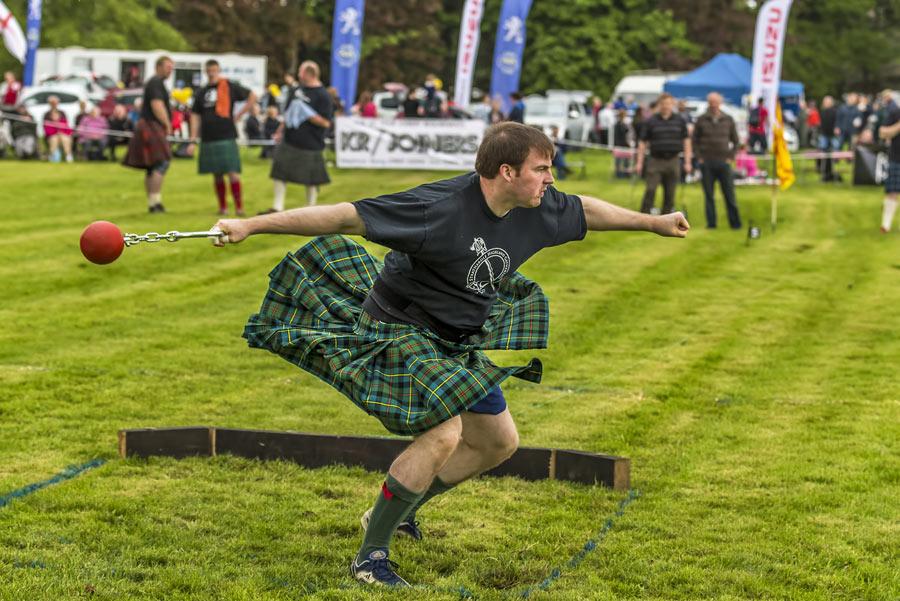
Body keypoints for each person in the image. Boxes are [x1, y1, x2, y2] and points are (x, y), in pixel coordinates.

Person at [210, 121, 690, 588]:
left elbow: (587, 210)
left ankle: (395, 513)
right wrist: (250, 225)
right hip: (398, 329)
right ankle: (370, 557)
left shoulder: (538, 207)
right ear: (506, 172)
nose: (550, 178)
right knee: (443, 435)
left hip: (457, 339)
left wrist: (654, 222)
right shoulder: (436, 208)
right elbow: (343, 215)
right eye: (542, 168)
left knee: (497, 443)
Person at [187, 59, 256, 217]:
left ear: (218, 70)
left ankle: (239, 208)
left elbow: (252, 96)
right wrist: (192, 139)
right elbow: (195, 116)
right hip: (208, 136)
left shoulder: (229, 86)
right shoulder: (201, 92)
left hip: (226, 134)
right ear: (206, 71)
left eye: (214, 70)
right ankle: (223, 208)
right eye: (209, 70)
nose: (211, 73)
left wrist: (239, 115)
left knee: (232, 172)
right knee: (216, 173)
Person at [263, 60, 333, 213]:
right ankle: (277, 207)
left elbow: (327, 123)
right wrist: (280, 131)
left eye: (301, 73)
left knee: (312, 179)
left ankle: (311, 208)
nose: (299, 76)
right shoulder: (296, 90)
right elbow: (288, 114)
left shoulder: (323, 95)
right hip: (290, 140)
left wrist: (307, 114)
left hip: (311, 143)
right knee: (279, 172)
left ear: (309, 74)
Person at [123, 56, 174, 213]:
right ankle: (155, 202)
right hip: (152, 126)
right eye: (167, 67)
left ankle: (153, 203)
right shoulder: (156, 83)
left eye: (171, 68)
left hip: (148, 125)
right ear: (158, 67)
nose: (170, 70)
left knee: (152, 166)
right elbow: (157, 105)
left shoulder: (155, 82)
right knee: (161, 162)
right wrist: (167, 124)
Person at [635, 93, 692, 215]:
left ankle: (666, 218)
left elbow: (687, 142)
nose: (666, 106)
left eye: (668, 104)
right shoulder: (651, 121)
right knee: (650, 190)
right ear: (659, 105)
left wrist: (688, 162)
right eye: (663, 104)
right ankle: (643, 216)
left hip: (673, 160)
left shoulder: (680, 120)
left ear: (673, 105)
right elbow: (642, 143)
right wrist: (639, 163)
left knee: (670, 192)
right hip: (655, 160)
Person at [692, 92, 741, 229]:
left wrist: (730, 156)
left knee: (729, 194)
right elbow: (694, 141)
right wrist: (699, 157)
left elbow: (736, 141)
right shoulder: (701, 120)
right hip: (706, 162)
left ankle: (735, 223)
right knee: (709, 196)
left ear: (720, 103)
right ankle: (711, 224)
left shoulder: (728, 119)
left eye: (716, 102)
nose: (713, 105)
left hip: (723, 162)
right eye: (711, 102)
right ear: (708, 103)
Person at [877, 90, 900, 233]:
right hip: (897, 157)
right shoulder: (895, 112)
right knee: (892, 191)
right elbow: (882, 132)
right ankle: (886, 225)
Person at [42, 96, 74, 163]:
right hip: (52, 136)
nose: (54, 104)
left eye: (55, 102)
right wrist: (56, 132)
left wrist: (61, 133)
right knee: (54, 139)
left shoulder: (62, 114)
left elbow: (67, 129)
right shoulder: (46, 115)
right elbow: (47, 130)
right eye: (52, 103)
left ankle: (68, 156)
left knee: (65, 139)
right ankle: (52, 157)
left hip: (63, 135)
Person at [818, 96, 840, 182]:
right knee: (824, 153)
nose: (826, 103)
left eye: (828, 101)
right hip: (824, 135)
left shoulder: (835, 111)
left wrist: (837, 128)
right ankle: (824, 171)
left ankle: (832, 172)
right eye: (825, 101)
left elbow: (837, 122)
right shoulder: (822, 111)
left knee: (834, 153)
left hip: (832, 135)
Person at [613, 109, 632, 178]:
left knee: (620, 160)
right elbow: (624, 135)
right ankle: (623, 174)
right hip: (622, 145)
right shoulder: (621, 124)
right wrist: (628, 144)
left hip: (619, 144)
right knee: (623, 160)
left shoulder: (618, 124)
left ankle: (621, 173)